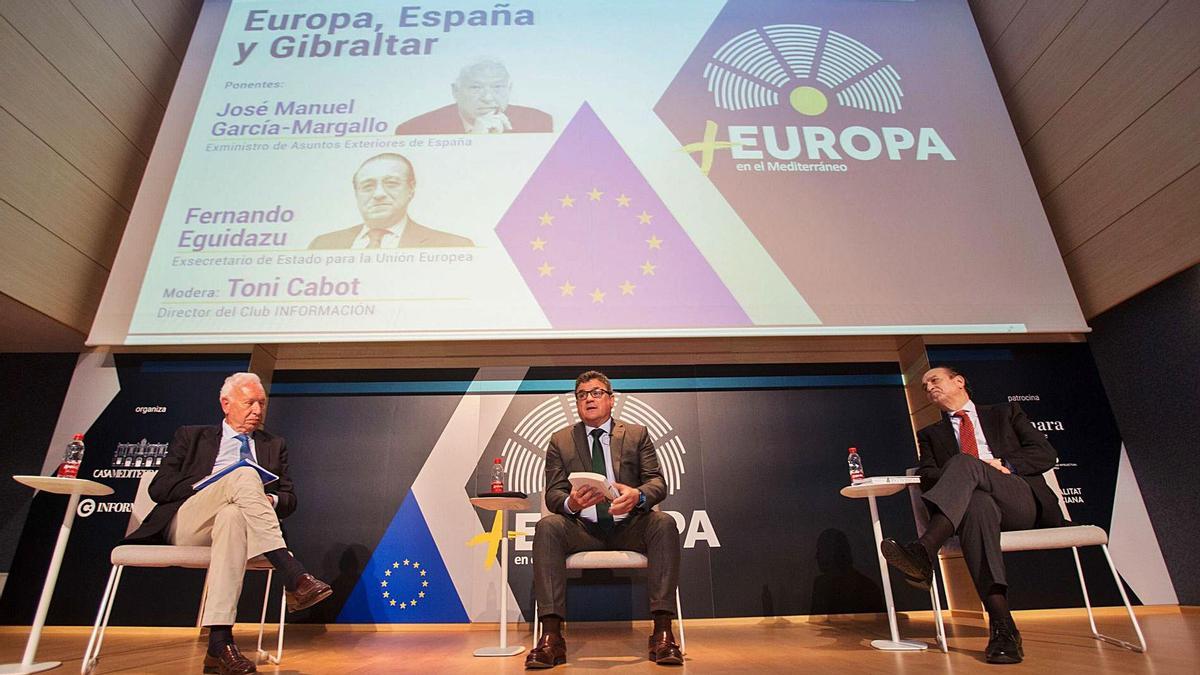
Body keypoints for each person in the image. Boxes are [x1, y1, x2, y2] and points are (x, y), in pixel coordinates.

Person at [123, 372, 331, 675]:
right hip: (189, 522)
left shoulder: (273, 444)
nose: (257, 411)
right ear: (226, 404)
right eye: (249, 403)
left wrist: (267, 500)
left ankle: (219, 643)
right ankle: (292, 571)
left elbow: (288, 498)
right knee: (244, 474)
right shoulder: (192, 436)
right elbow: (159, 488)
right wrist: (214, 483)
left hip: (238, 528)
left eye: (261, 403)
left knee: (234, 514)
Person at [881, 366, 1067, 664]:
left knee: (967, 464)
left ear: (959, 381)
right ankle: (1003, 629)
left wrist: (1002, 463)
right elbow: (928, 476)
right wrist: (966, 474)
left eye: (934, 380)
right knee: (976, 503)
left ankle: (925, 550)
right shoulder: (930, 434)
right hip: (976, 508)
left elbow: (1045, 453)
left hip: (1018, 499)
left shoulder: (1005, 413)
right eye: (924, 386)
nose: (928, 388)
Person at [527, 371, 683, 669]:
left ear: (611, 400)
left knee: (664, 524)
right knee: (547, 526)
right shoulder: (561, 440)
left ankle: (662, 632)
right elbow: (553, 495)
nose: (588, 399)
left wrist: (636, 495)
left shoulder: (637, 435)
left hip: (629, 526)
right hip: (582, 528)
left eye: (596, 392)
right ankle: (552, 638)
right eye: (582, 395)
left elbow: (657, 483)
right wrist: (571, 503)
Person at [307, 153, 473, 249]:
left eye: (391, 183)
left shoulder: (452, 246)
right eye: (367, 186)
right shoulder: (322, 244)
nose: (379, 194)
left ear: (411, 189)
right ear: (356, 193)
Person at [395, 59, 552, 135]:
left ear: (509, 89)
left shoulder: (538, 122)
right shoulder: (415, 129)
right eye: (476, 88)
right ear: (455, 91)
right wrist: (474, 142)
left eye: (498, 87)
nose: (488, 98)